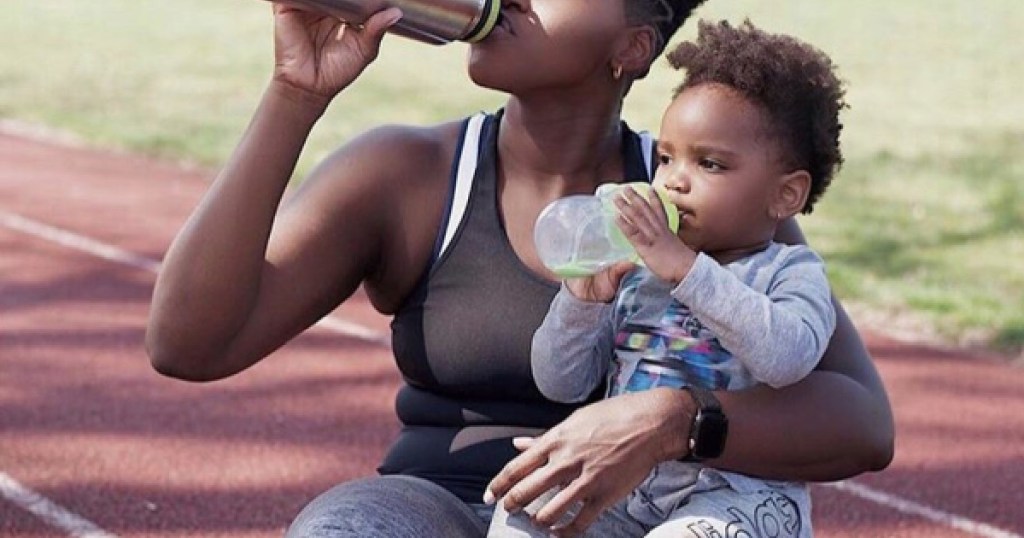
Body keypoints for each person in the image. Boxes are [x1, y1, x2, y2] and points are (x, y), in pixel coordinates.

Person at [144, 0, 894, 536]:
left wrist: (673, 421)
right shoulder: (405, 172)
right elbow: (188, 344)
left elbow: (860, 423)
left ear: (631, 47)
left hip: (641, 515)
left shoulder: (707, 209)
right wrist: (294, 94)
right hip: (437, 503)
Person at [487, 19, 846, 537]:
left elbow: (787, 357)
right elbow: (560, 383)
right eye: (665, 157)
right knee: (528, 506)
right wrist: (582, 300)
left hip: (738, 497)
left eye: (710, 164)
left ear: (785, 195)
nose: (673, 180)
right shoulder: (638, 271)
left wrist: (683, 269)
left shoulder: (789, 271)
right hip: (624, 490)